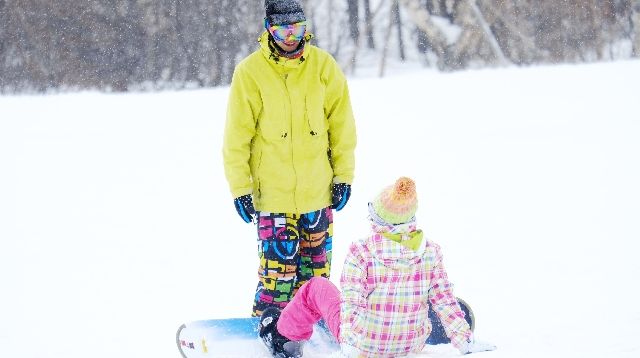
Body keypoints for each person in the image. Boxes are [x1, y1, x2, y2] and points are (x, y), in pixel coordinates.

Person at [257, 177, 497, 357]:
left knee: (316, 287)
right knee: (431, 294)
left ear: (379, 220)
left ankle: (283, 337)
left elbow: (352, 301)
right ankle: (421, 317)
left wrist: (351, 346)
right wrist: (465, 340)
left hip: (363, 345)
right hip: (409, 344)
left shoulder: (361, 252)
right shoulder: (430, 252)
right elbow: (444, 298)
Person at [222, 0, 357, 317]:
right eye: (283, 30)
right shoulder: (250, 73)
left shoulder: (323, 67)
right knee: (278, 279)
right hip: (274, 198)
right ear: (269, 29)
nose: (291, 37)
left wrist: (343, 177)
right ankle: (270, 328)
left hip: (318, 195)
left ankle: (313, 329)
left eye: (297, 28)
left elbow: (342, 127)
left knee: (316, 281)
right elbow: (236, 138)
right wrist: (240, 188)